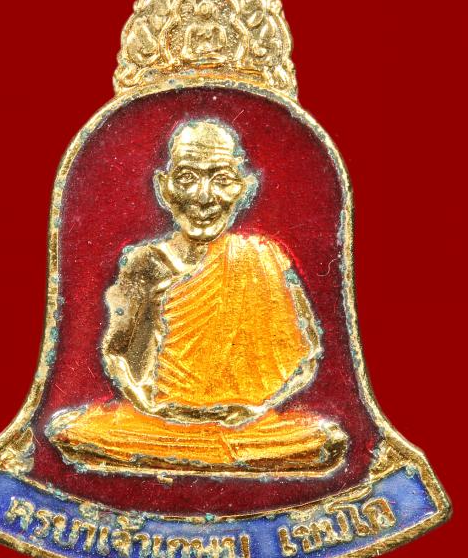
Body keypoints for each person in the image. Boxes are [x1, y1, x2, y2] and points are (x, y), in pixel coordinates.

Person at [48, 120, 347, 473]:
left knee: (323, 439)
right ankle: (205, 449)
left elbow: (307, 356)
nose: (203, 197)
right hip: (159, 423)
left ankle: (212, 448)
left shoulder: (264, 258)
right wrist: (150, 405)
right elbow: (116, 353)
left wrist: (256, 408)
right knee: (75, 433)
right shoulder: (146, 263)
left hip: (246, 424)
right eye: (187, 178)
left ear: (244, 188)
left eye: (222, 179)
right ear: (164, 187)